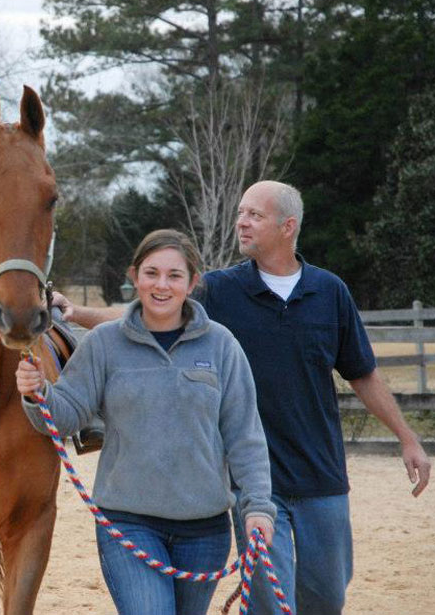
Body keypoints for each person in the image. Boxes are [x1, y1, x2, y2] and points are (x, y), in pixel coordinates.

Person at [53, 181, 432, 615]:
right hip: (254, 482)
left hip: (322, 476)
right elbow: (152, 306)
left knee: (327, 599)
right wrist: (76, 313)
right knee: (270, 603)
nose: (241, 222)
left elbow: (363, 374)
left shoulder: (330, 293)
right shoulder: (220, 289)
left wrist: (407, 437)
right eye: (240, 212)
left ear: (287, 226)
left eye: (254, 214)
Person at [15, 229, 276, 615]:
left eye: (174, 275)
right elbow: (67, 413)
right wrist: (37, 393)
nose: (162, 285)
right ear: (134, 276)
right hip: (128, 524)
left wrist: (257, 507)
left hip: (204, 531)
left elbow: (245, 437)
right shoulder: (103, 343)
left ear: (192, 282)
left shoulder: (222, 346)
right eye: (151, 273)